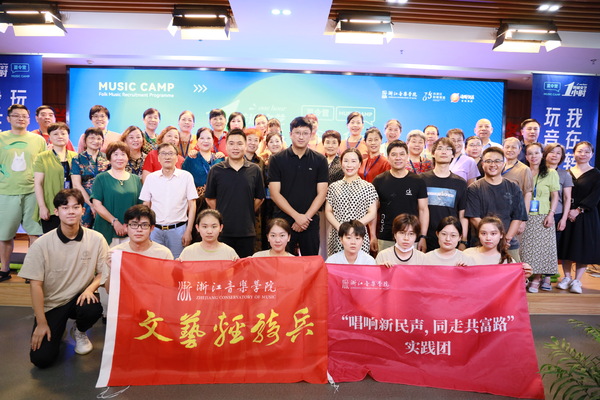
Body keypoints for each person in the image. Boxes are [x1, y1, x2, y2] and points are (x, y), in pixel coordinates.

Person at [18, 189, 109, 368]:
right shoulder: (41, 244)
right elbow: (35, 286)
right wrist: (41, 323)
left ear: (83, 210)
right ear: (56, 211)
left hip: (79, 298)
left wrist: (90, 289)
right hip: (53, 303)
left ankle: (79, 331)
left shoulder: (96, 239)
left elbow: (102, 273)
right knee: (41, 359)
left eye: (76, 207)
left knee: (92, 308)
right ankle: (57, 330)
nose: (71, 211)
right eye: (65, 207)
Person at [268, 116, 328, 256]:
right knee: (283, 264)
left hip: (310, 221)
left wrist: (305, 218)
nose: (301, 137)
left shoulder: (320, 160)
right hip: (283, 222)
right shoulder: (277, 159)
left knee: (310, 263)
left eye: (305, 133)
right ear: (290, 134)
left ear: (311, 135)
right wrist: (296, 216)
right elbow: (275, 194)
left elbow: (322, 193)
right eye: (297, 133)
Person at [0, 104, 46, 283]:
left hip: (32, 192)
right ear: (8, 118)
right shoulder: (1, 138)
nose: (21, 118)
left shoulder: (38, 140)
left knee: (34, 233)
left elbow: (44, 166)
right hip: (6, 192)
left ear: (29, 119)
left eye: (24, 116)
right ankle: (4, 269)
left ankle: (31, 271)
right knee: (4, 234)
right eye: (16, 115)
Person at [205, 129, 265, 258]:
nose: (235, 147)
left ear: (245, 145)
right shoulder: (216, 170)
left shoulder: (255, 170)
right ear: (226, 146)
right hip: (222, 231)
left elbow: (260, 198)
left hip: (246, 231)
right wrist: (221, 212)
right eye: (231, 143)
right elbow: (209, 198)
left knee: (245, 267)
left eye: (239, 143)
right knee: (223, 267)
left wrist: (247, 210)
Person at [465, 147, 528, 262]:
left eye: (497, 161)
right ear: (482, 164)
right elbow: (474, 217)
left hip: (508, 244)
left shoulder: (513, 187)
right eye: (488, 161)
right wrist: (491, 236)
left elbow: (518, 217)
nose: (493, 164)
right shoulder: (474, 188)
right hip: (481, 244)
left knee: (515, 271)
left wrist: (506, 239)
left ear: (503, 164)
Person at [139, 143, 198, 258]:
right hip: (155, 230)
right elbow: (146, 205)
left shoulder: (186, 177)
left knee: (177, 264)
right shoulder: (151, 178)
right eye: (163, 154)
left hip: (179, 230)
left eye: (171, 153)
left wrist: (188, 231)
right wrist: (146, 229)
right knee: (156, 263)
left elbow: (192, 205)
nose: (167, 157)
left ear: (177, 157)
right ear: (158, 158)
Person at [557, 141, 600, 294]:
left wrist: (579, 209)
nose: (583, 154)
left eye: (587, 151)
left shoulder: (596, 174)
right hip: (566, 214)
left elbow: (595, 196)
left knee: (583, 247)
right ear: (573, 153)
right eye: (580, 151)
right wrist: (567, 211)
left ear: (592, 154)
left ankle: (577, 280)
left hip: (586, 215)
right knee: (566, 245)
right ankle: (567, 277)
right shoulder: (566, 172)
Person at [372, 140, 428, 252]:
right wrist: (373, 235)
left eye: (402, 154)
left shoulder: (418, 181)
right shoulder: (379, 180)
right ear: (388, 157)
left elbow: (423, 210)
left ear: (407, 156)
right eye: (394, 154)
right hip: (385, 237)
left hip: (411, 237)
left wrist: (423, 236)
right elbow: (373, 210)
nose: (398, 158)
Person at [521, 143, 559, 293]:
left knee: (542, 249)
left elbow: (555, 196)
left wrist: (551, 214)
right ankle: (525, 277)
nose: (533, 156)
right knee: (525, 249)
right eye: (530, 153)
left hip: (543, 215)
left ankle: (537, 278)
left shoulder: (550, 173)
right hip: (525, 215)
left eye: (536, 153)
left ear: (542, 155)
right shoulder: (523, 171)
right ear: (526, 156)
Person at [325, 148, 378, 256]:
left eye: (353, 161)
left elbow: (372, 212)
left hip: (359, 236)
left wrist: (354, 227)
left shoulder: (368, 187)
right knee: (337, 264)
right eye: (346, 161)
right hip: (338, 235)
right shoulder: (333, 187)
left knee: (359, 265)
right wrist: (340, 228)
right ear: (341, 163)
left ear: (359, 164)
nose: (349, 165)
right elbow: (328, 211)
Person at [420, 137, 468, 251]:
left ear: (453, 155)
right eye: (440, 148)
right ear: (433, 153)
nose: (444, 152)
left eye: (448, 149)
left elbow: (463, 214)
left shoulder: (460, 182)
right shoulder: (422, 179)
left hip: (450, 239)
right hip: (427, 237)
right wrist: (422, 237)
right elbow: (420, 210)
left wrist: (463, 240)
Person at [91, 142, 142, 246]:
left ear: (128, 157)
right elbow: (97, 205)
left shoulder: (135, 179)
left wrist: (129, 224)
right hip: (106, 231)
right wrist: (114, 222)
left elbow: (141, 206)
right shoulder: (101, 178)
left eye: (123, 154)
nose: (120, 158)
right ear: (109, 158)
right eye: (116, 154)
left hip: (130, 231)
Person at [33, 122, 78, 233]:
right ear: (50, 137)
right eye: (55, 134)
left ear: (68, 136)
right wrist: (42, 206)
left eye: (63, 133)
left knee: (72, 238)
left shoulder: (75, 156)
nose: (60, 136)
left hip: (72, 206)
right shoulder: (42, 157)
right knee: (52, 239)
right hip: (51, 205)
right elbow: (38, 183)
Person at [463, 216, 533, 278]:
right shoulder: (467, 254)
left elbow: (513, 284)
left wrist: (524, 276)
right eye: (483, 233)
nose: (488, 238)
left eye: (493, 234)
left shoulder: (508, 261)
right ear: (478, 234)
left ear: (501, 235)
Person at [543, 143, 573, 278]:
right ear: (545, 154)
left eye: (558, 153)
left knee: (552, 247)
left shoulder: (565, 174)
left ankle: (547, 277)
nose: (554, 155)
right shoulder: (537, 171)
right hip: (537, 212)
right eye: (552, 152)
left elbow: (567, 198)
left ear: (562, 157)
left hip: (557, 214)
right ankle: (533, 274)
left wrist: (564, 219)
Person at [71, 128, 110, 228]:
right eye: (92, 138)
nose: (95, 141)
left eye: (99, 138)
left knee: (103, 230)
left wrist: (99, 205)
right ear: (85, 140)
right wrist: (92, 205)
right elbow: (76, 185)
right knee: (84, 231)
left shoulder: (107, 158)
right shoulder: (77, 159)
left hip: (105, 201)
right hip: (85, 201)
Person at [181, 127, 225, 216]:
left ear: (213, 140)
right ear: (197, 141)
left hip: (218, 200)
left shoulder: (219, 159)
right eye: (202, 138)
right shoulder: (191, 159)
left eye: (208, 138)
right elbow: (183, 183)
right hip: (197, 202)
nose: (205, 141)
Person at [502, 137, 533, 236]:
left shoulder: (524, 169)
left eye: (513, 147)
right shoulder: (498, 166)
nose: (510, 150)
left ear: (520, 150)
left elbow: (527, 194)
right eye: (507, 147)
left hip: (514, 215)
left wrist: (523, 220)